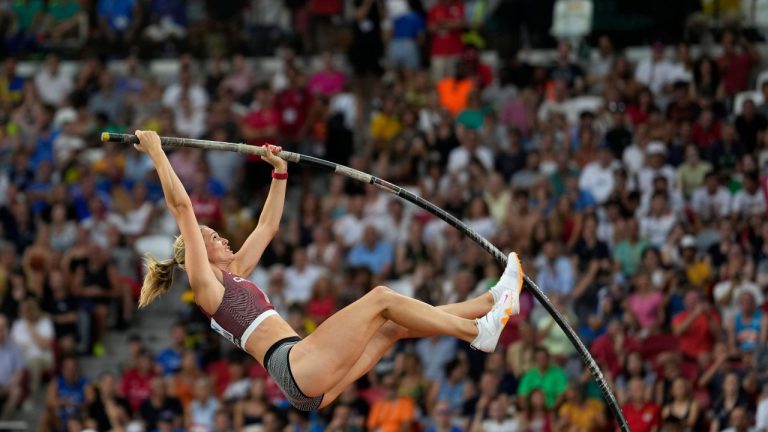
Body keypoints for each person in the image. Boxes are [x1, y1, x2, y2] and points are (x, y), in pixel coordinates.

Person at [132, 130, 524, 411]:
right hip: (295, 364)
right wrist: (156, 152)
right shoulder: (205, 286)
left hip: (307, 383)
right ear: (197, 254)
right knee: (382, 298)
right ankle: (478, 333)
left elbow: (268, 227)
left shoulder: (233, 275)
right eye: (214, 238)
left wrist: (280, 172)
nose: (224, 240)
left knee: (393, 326)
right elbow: (183, 208)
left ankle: (491, 301)